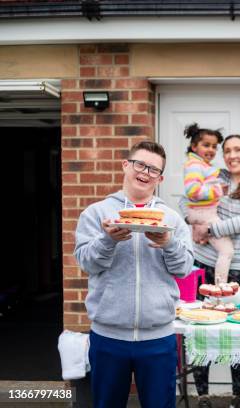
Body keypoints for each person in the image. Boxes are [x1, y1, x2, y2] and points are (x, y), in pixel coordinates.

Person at [74, 141, 194, 408]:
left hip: (158, 336)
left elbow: (184, 268)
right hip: (107, 336)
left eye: (153, 169)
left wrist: (169, 243)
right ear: (126, 165)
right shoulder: (96, 214)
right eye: (140, 164)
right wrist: (108, 240)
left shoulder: (171, 219)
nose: (145, 172)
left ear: (160, 178)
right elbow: (86, 263)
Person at [181, 134, 240, 408]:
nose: (232, 155)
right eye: (227, 150)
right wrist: (192, 221)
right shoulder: (212, 175)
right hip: (201, 264)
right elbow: (184, 202)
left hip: (237, 269)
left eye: (238, 150)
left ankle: (238, 395)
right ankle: (203, 395)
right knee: (200, 331)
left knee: (238, 333)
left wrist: (209, 229)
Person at [183, 123, 233, 284]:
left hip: (204, 212)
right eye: (206, 145)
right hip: (204, 213)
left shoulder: (201, 165)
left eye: (214, 146)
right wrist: (219, 190)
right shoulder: (195, 165)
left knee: (206, 240)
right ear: (194, 146)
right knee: (227, 250)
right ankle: (221, 286)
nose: (211, 150)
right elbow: (193, 191)